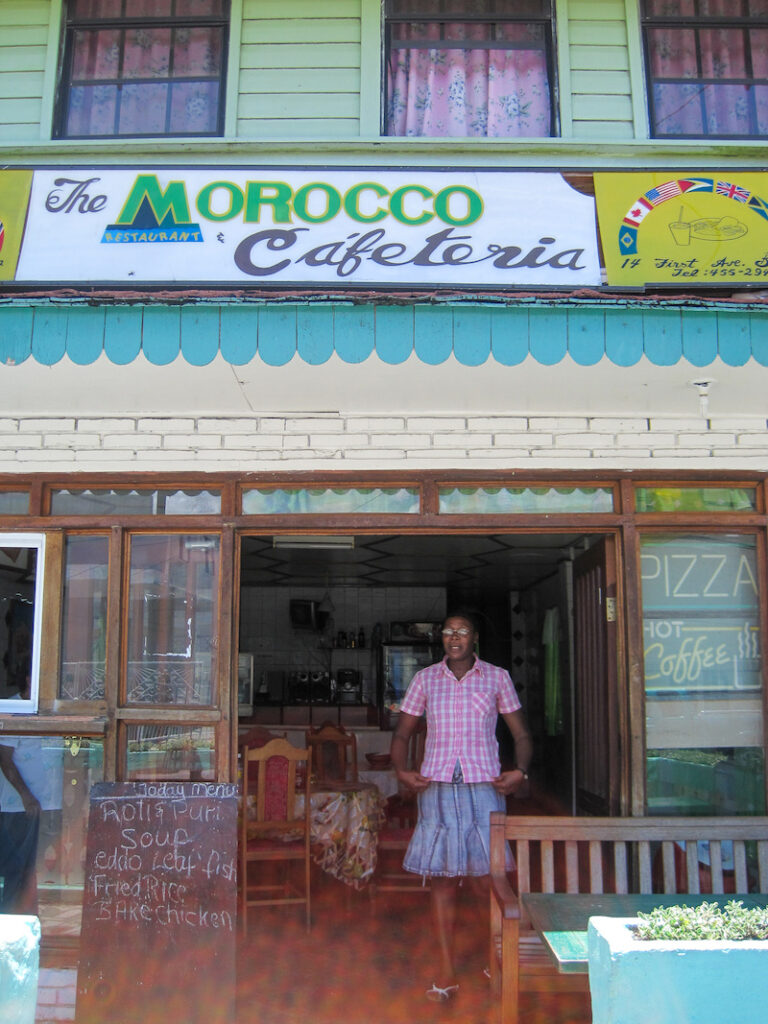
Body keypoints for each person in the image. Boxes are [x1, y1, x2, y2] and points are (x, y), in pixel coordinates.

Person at [390, 610, 533, 1003]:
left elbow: (521, 733)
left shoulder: (496, 677)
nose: (455, 637)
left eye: (463, 631)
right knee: (441, 881)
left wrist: (520, 771)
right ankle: (447, 971)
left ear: (474, 638)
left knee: (488, 882)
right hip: (436, 788)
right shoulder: (425, 680)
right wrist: (402, 772)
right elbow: (402, 733)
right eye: (448, 632)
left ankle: (495, 959)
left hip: (483, 787)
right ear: (441, 639)